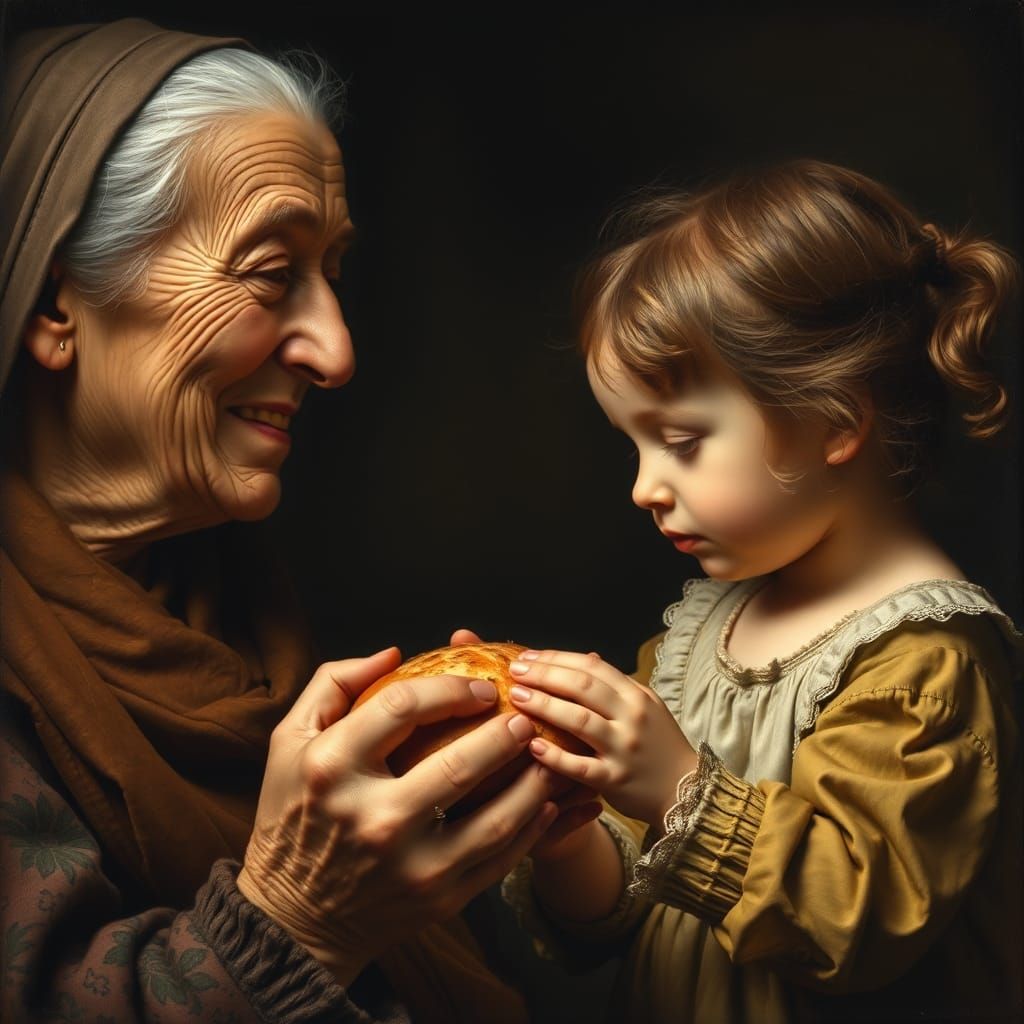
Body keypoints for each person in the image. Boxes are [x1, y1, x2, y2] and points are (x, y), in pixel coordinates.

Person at [0, 18, 572, 1023]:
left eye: (333, 273)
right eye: (270, 272)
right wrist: (295, 920)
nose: (336, 350)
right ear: (58, 304)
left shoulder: (240, 597)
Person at [500, 160, 1023, 1022]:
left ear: (834, 422)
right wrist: (568, 837)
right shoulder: (703, 634)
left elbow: (859, 922)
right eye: (634, 446)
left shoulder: (924, 662)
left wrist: (675, 786)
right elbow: (624, 918)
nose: (643, 487)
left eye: (680, 441)